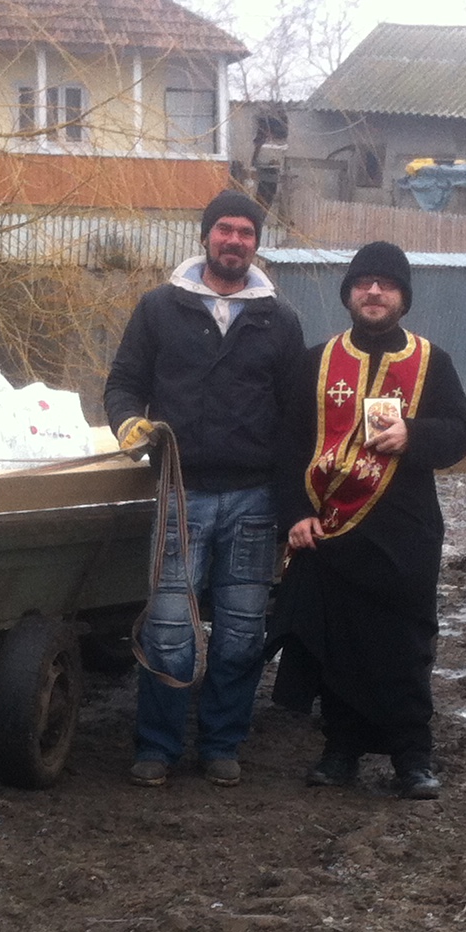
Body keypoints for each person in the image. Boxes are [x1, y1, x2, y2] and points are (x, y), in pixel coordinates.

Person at [102, 190, 308, 786]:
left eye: (246, 232)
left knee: (241, 632)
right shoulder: (160, 308)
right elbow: (123, 383)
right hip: (181, 494)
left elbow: (296, 415)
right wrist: (128, 423)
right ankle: (157, 747)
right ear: (206, 236)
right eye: (225, 229)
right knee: (169, 627)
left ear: (256, 244)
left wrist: (294, 502)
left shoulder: (278, 319)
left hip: (254, 500)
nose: (234, 240)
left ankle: (222, 743)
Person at [273, 240, 466, 800]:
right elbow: (287, 446)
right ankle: (340, 751)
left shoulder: (432, 361)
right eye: (364, 282)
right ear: (349, 294)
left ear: (403, 298)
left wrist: (415, 433)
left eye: (386, 284)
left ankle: (413, 758)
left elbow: (460, 431)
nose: (374, 292)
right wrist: (295, 513)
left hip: (406, 532)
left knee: (405, 646)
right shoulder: (315, 362)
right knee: (338, 646)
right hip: (333, 529)